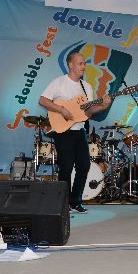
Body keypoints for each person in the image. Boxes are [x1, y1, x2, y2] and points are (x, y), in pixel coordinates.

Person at [39, 52, 112, 213]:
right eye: (80, 63)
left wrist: (104, 105)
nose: (84, 66)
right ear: (70, 65)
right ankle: (63, 203)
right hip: (63, 131)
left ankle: (75, 201)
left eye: (84, 63)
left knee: (84, 165)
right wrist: (61, 110)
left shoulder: (87, 87)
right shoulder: (59, 82)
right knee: (65, 167)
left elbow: (89, 112)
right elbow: (43, 100)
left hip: (79, 131)